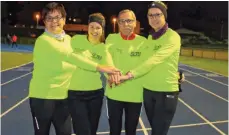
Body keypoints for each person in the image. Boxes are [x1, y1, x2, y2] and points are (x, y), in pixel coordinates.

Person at [29, 3, 118, 135]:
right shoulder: (44, 41)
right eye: (49, 18)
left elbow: (87, 54)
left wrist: (112, 75)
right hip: (42, 99)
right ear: (44, 21)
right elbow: (71, 57)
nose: (54, 22)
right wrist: (101, 68)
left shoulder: (69, 40)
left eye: (58, 17)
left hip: (64, 99)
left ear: (64, 19)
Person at [116, 2, 182, 135]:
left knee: (158, 132)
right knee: (155, 130)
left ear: (164, 16)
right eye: (150, 15)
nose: (154, 18)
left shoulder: (172, 36)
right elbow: (142, 60)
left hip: (165, 92)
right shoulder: (150, 38)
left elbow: (155, 59)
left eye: (158, 14)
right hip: (149, 92)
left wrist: (129, 75)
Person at [67, 13, 114, 135]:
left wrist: (113, 77)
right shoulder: (75, 40)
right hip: (75, 94)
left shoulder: (103, 48)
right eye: (92, 26)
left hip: (95, 95)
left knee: (92, 131)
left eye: (98, 27)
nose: (94, 30)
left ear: (102, 29)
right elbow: (69, 57)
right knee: (83, 131)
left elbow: (109, 68)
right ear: (87, 27)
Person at [105, 9, 147, 135]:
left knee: (131, 130)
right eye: (122, 21)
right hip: (114, 93)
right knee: (114, 130)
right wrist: (111, 75)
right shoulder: (111, 38)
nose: (125, 24)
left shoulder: (143, 42)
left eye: (129, 21)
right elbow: (105, 60)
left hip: (135, 95)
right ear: (118, 23)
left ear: (135, 23)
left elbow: (145, 66)